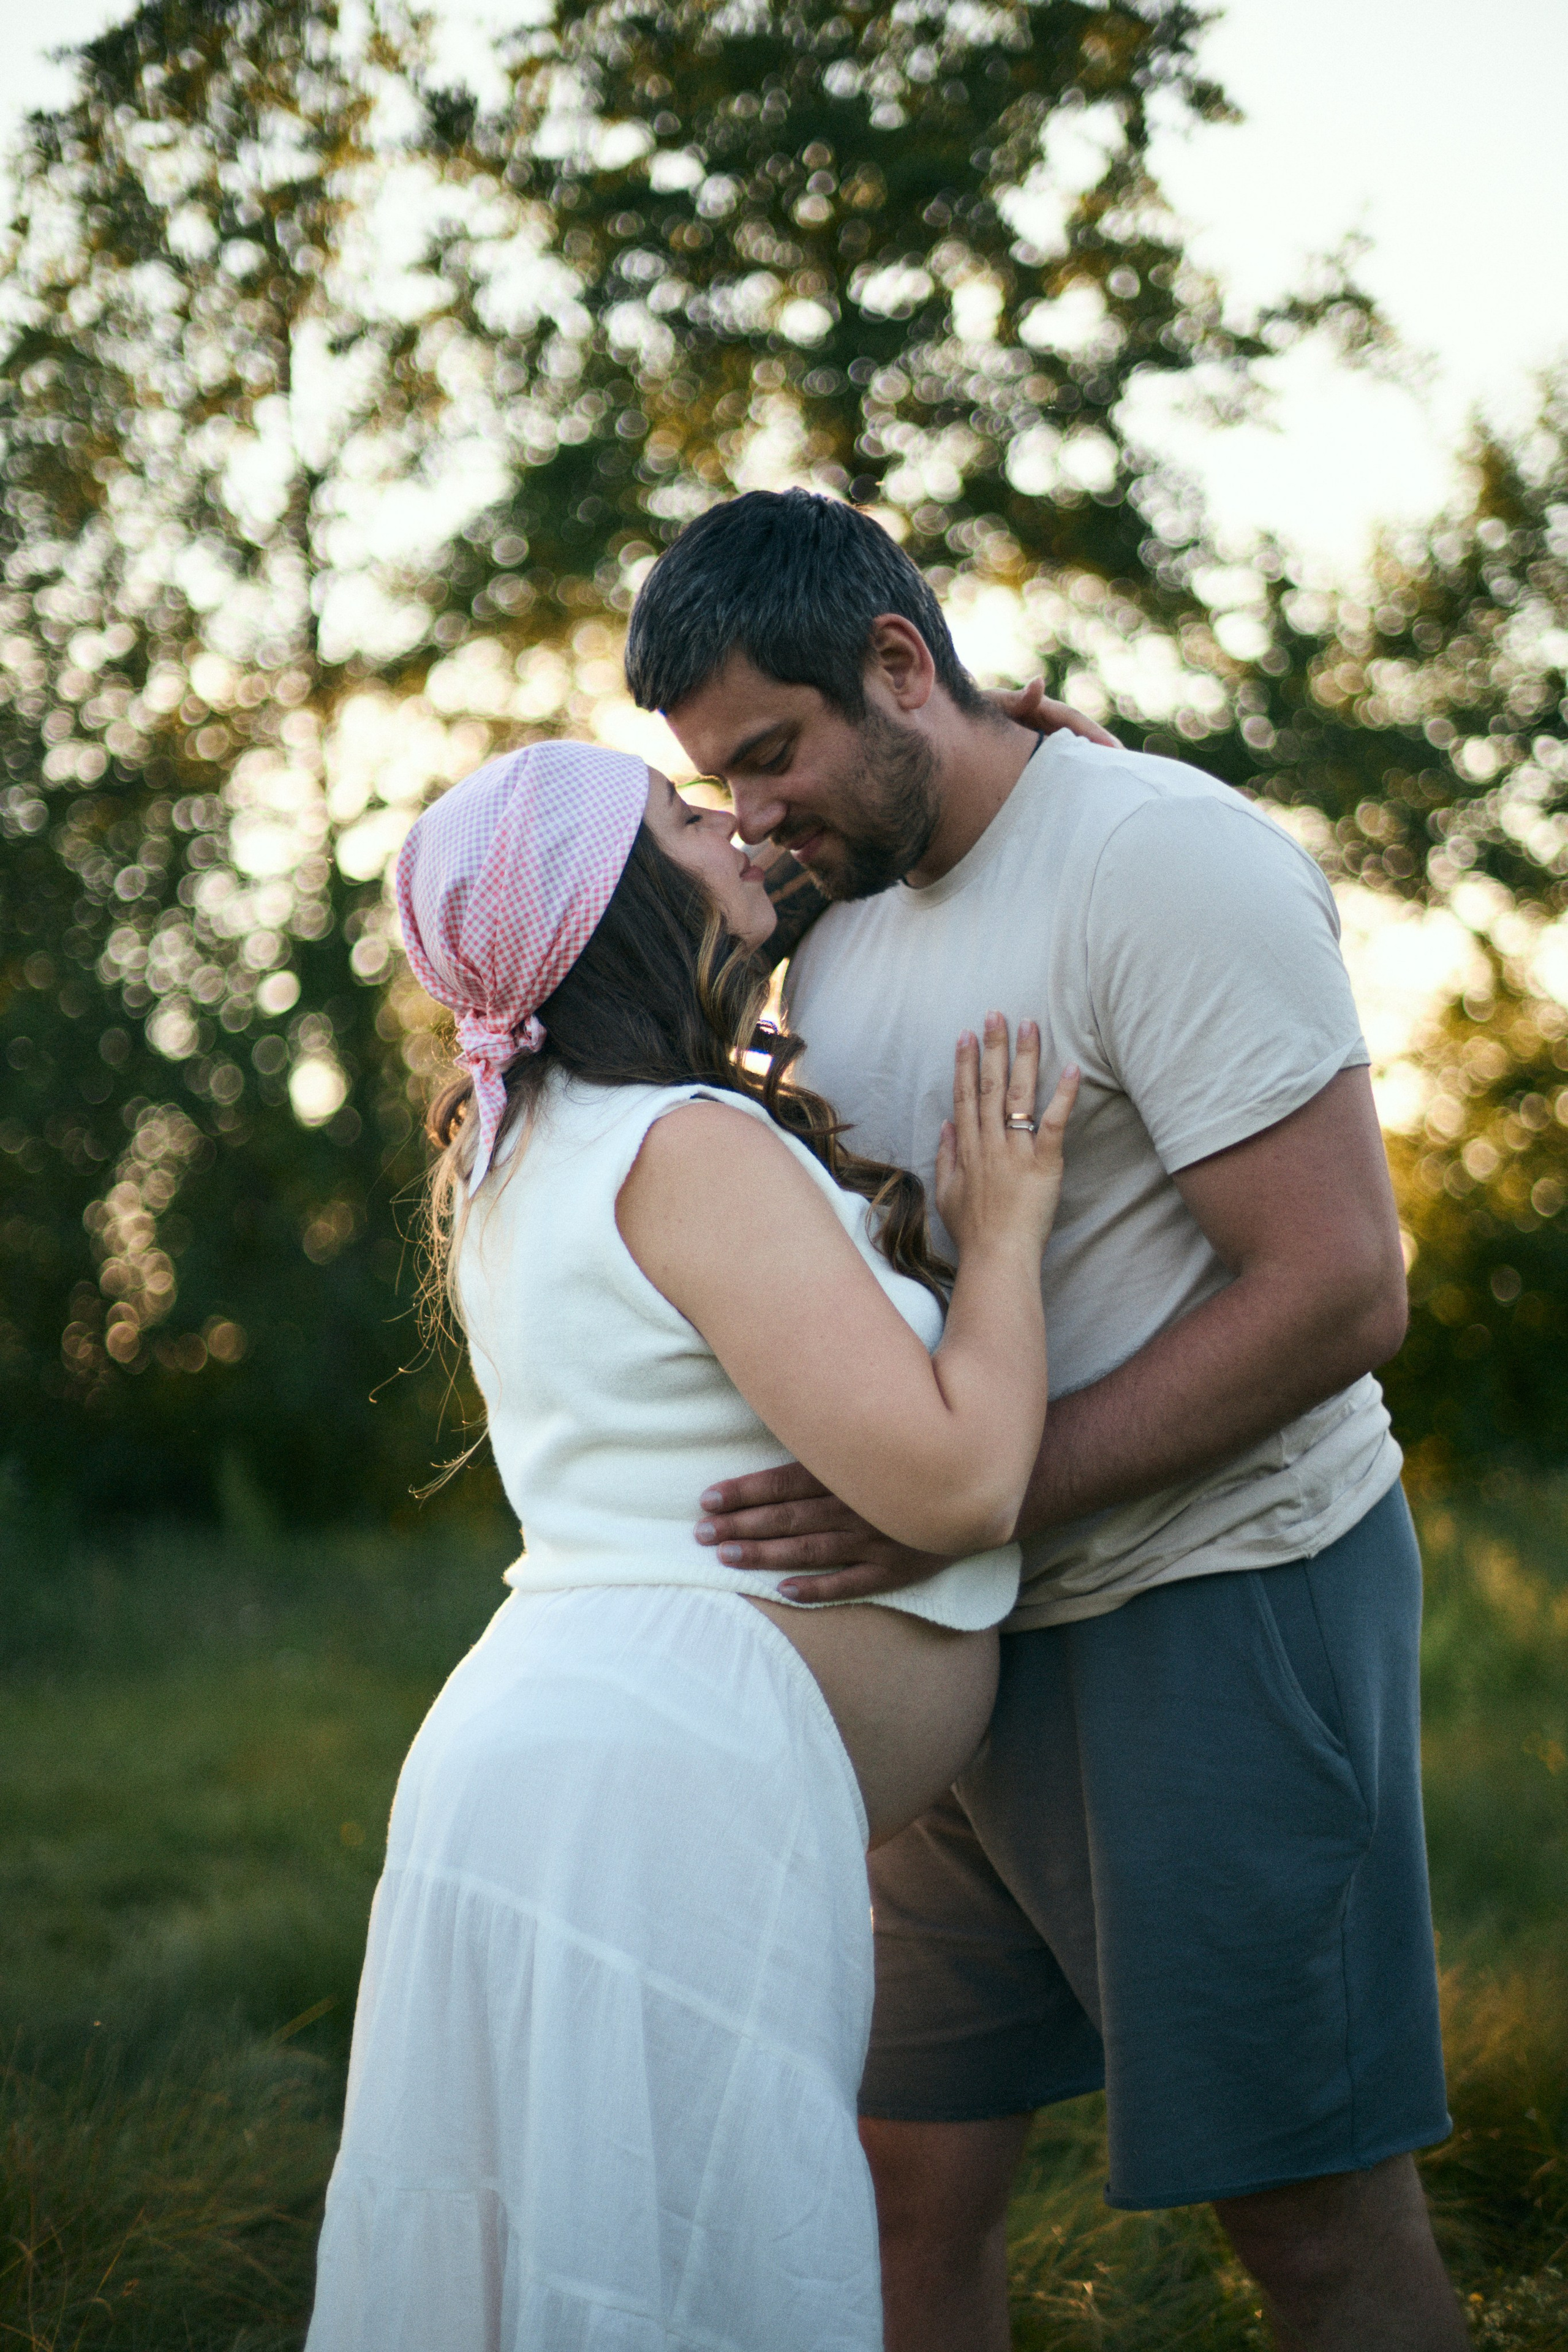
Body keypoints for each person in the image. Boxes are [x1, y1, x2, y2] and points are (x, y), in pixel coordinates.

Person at [625, 488, 1469, 2352]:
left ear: (902, 667)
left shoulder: (1165, 863)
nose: (755, 811)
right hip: (948, 1657)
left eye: (775, 754)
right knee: (897, 2184)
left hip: (1216, 1605)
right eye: (719, 781)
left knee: (1308, 2217)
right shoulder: (828, 905)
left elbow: (1337, 1287)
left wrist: (967, 1508)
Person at [304, 738, 1079, 2351]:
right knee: (690, 2269)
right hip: (644, 1800)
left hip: (567, 1771)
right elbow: (959, 1487)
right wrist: (1003, 1236)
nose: (728, 826)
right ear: (622, 905)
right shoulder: (682, 1148)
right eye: (680, 819)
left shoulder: (525, 1152)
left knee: (585, 2278)